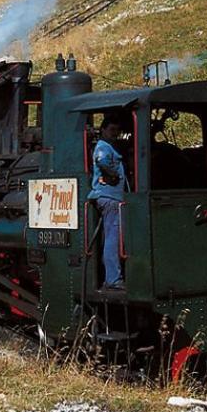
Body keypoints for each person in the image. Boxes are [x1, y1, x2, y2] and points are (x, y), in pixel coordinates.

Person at [88, 115, 128, 289]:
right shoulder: (103, 146)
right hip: (109, 196)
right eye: (111, 130)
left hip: (112, 196)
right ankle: (112, 279)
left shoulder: (110, 146)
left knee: (111, 237)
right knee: (113, 237)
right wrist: (114, 175)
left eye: (117, 131)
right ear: (102, 130)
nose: (115, 134)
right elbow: (102, 162)